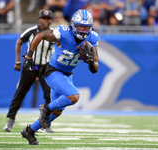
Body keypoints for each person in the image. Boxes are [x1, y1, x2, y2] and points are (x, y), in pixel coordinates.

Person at [20, 9, 100, 145]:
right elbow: (40, 35)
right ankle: (46, 107)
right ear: (73, 25)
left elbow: (95, 68)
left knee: (57, 112)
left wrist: (91, 60)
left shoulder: (92, 38)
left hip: (67, 75)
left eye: (86, 27)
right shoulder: (63, 33)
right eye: (80, 26)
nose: (82, 29)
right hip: (53, 71)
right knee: (74, 96)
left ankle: (30, 131)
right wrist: (29, 56)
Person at [3, 9, 55, 133]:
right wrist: (17, 61)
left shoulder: (55, 33)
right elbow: (19, 42)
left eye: (48, 19)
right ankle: (10, 120)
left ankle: (46, 124)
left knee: (49, 96)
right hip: (31, 67)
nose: (45, 21)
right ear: (39, 19)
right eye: (43, 18)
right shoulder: (31, 31)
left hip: (45, 68)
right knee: (20, 93)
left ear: (51, 20)